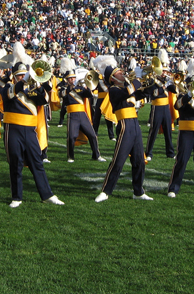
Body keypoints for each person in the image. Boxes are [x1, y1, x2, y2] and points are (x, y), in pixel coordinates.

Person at [0, 62, 64, 208]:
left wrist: (38, 85)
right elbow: (9, 95)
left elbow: (44, 100)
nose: (21, 77)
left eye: (23, 74)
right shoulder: (8, 87)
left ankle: (47, 195)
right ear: (13, 77)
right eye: (19, 75)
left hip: (30, 130)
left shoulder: (32, 88)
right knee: (15, 163)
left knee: (37, 162)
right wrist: (25, 81)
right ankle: (16, 197)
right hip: (13, 129)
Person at [95, 62, 151, 202]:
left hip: (135, 124)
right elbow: (130, 90)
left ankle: (138, 191)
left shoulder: (126, 87)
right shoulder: (113, 89)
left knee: (139, 160)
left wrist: (152, 82)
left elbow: (142, 93)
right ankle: (105, 191)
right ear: (113, 78)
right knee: (118, 161)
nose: (123, 73)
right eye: (119, 72)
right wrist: (138, 78)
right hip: (125, 125)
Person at [59, 67, 104, 163]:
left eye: (73, 78)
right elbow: (63, 95)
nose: (72, 79)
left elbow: (89, 95)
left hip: (82, 114)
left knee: (92, 135)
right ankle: (70, 156)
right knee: (72, 137)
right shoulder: (64, 88)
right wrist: (71, 88)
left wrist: (88, 87)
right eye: (70, 78)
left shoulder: (80, 88)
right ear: (66, 80)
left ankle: (97, 155)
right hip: (72, 115)